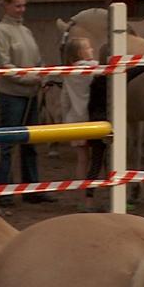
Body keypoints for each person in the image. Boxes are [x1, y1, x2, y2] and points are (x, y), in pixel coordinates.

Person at [83, 34, 144, 212]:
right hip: (111, 126)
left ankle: (88, 201)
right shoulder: (120, 76)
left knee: (96, 163)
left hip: (96, 124)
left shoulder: (96, 78)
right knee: (112, 165)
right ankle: (115, 201)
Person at [0, 0, 52, 205]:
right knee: (7, 145)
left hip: (30, 95)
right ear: (6, 6)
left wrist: (41, 74)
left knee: (31, 144)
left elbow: (37, 59)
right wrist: (31, 78)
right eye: (17, 5)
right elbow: (3, 65)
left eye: (23, 5)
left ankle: (32, 189)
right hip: (12, 95)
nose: (21, 9)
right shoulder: (0, 32)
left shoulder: (26, 31)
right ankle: (4, 191)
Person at [61, 36, 98, 189]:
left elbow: (64, 101)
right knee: (98, 159)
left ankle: (82, 191)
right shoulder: (94, 69)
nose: (92, 50)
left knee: (82, 159)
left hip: (74, 119)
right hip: (92, 119)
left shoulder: (68, 73)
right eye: (88, 47)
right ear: (80, 53)